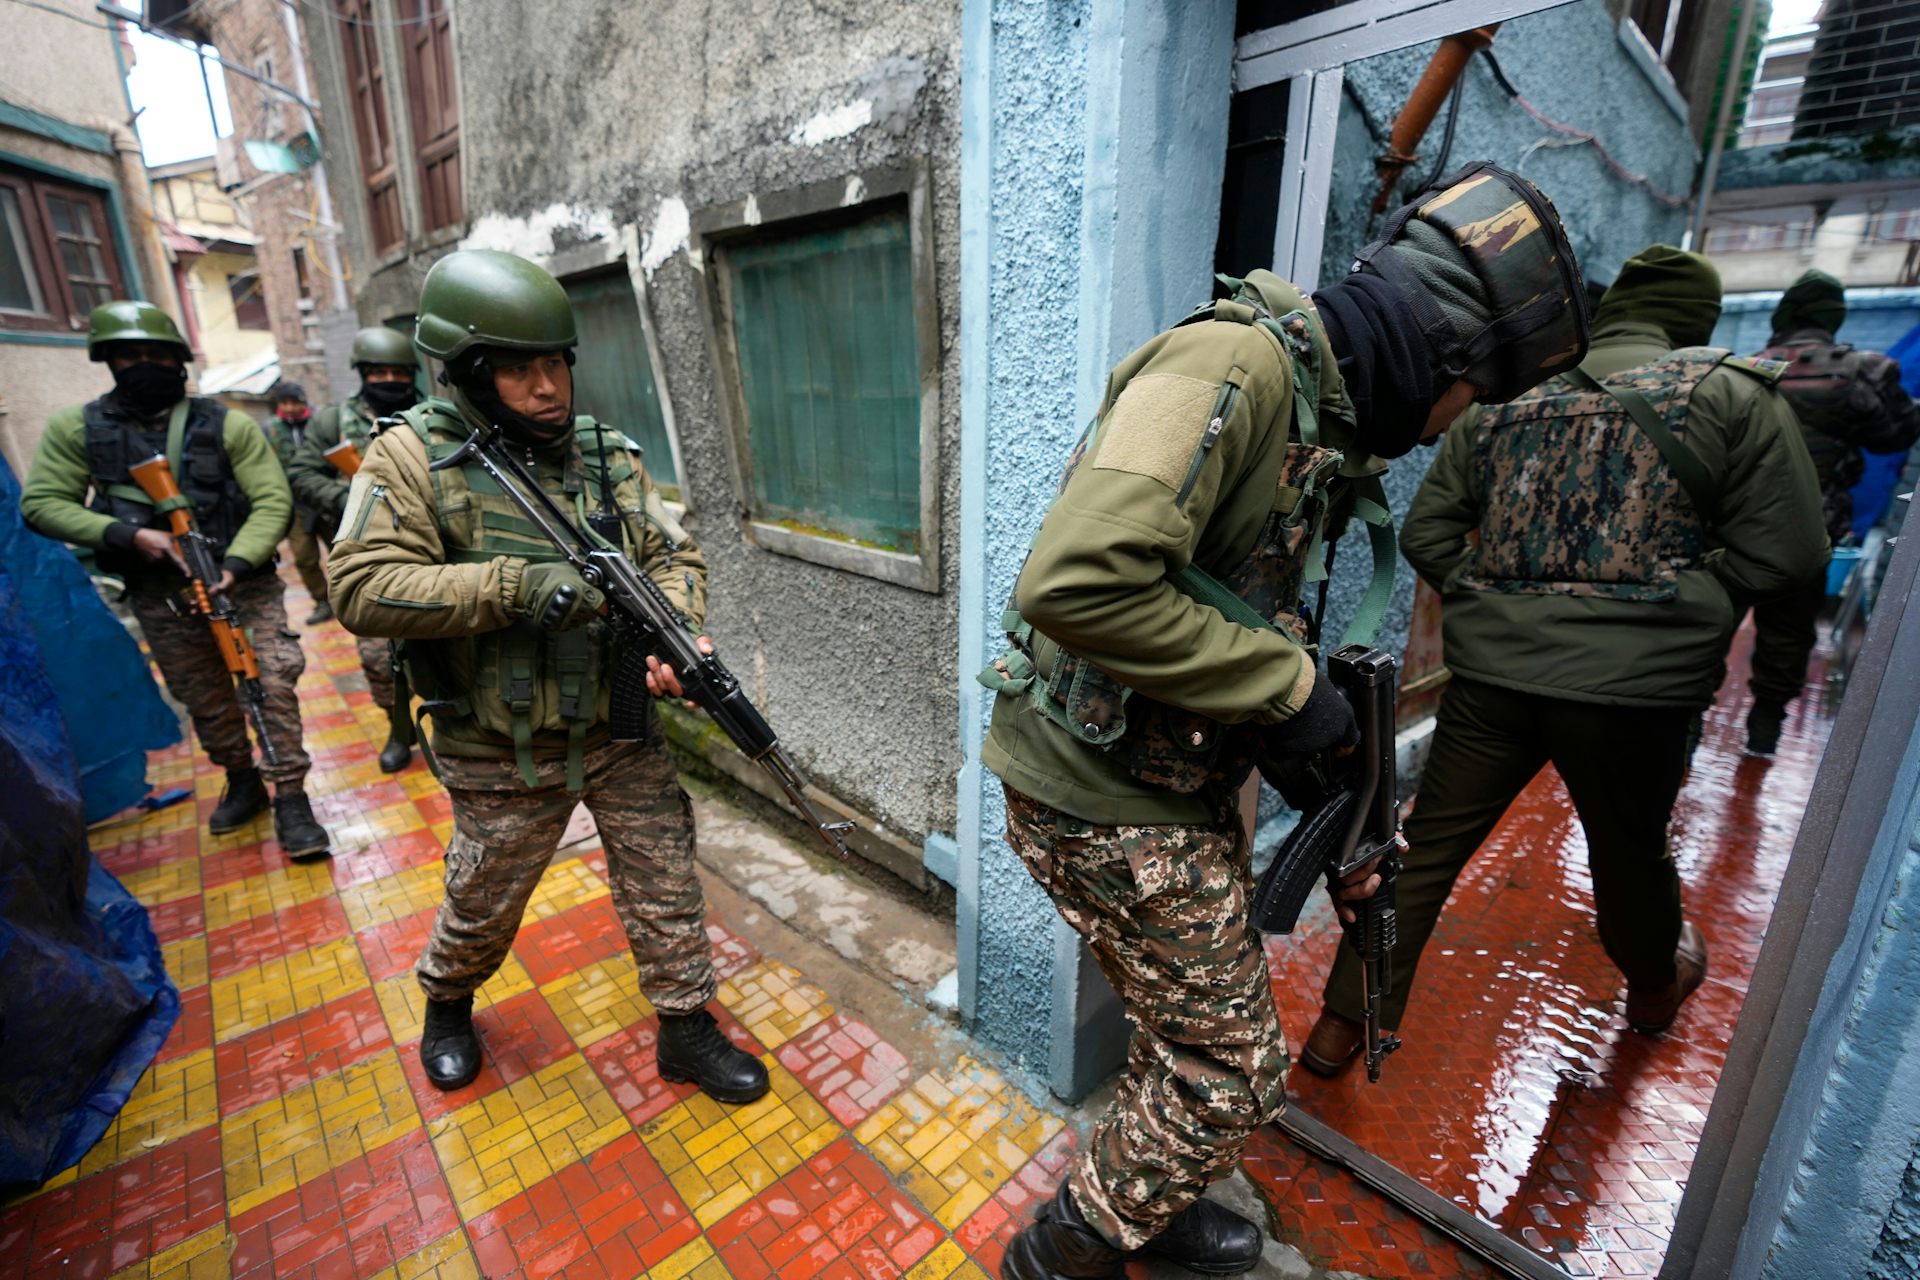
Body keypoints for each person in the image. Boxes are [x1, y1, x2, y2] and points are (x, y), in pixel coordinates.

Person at [978, 164, 1591, 1280]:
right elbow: (1076, 584)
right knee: (1233, 1063)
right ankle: (1059, 1252)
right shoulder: (1233, 366)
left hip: (1162, 775)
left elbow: (1217, 610)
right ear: (1442, 356)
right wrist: (1290, 693)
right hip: (1092, 785)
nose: (1453, 426)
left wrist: (1333, 789)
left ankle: (1150, 1203)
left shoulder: (1318, 416)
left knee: (1181, 1024)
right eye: (1470, 398)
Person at [1300, 247, 1827, 1080]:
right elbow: (1793, 554)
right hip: (1637, 695)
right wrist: (1692, 603)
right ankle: (1654, 991)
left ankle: (1337, 1028)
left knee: (1425, 852)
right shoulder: (1729, 393)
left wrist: (1491, 600)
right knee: (1628, 855)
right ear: (1695, 316)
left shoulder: (1505, 403)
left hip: (1492, 684)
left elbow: (1430, 534)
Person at [328, 249, 766, 1104]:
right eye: (517, 369)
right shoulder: (410, 461)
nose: (546, 388)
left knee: (665, 876)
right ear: (463, 372)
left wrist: (676, 632)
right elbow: (360, 585)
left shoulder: (604, 455)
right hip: (500, 743)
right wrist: (511, 588)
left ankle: (684, 1026)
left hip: (618, 724)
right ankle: (448, 1001)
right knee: (487, 894)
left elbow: (670, 553)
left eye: (555, 364)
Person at [21, 301, 331, 858]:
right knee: (205, 698)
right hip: (161, 594)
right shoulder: (79, 429)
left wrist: (235, 565)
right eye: (130, 356)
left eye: (157, 356)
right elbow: (42, 503)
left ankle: (290, 793)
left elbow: (271, 500)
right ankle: (242, 778)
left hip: (242, 585)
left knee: (272, 682)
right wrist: (128, 534)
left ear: (179, 362)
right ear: (108, 361)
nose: (145, 366)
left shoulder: (226, 424)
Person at [1742, 269, 1919, 756]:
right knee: (1788, 632)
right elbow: (1894, 436)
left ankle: (1686, 732)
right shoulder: (1861, 369)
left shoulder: (1748, 366)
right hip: (1809, 528)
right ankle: (1763, 734)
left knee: (1708, 628)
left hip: (1736, 524)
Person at [288, 327, 425, 773]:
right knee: (378, 656)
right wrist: (352, 499)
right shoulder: (332, 422)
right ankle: (399, 726)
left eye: (397, 373)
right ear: (363, 374)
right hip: (367, 559)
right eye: (378, 372)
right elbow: (303, 473)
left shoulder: (433, 415)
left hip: (435, 553)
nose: (388, 380)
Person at [259, 380, 333, 625]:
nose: (290, 408)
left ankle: (350, 595)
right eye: (285, 403)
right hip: (295, 505)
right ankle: (323, 601)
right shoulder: (270, 429)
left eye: (295, 402)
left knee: (342, 550)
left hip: (325, 498)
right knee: (304, 557)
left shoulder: (320, 423)